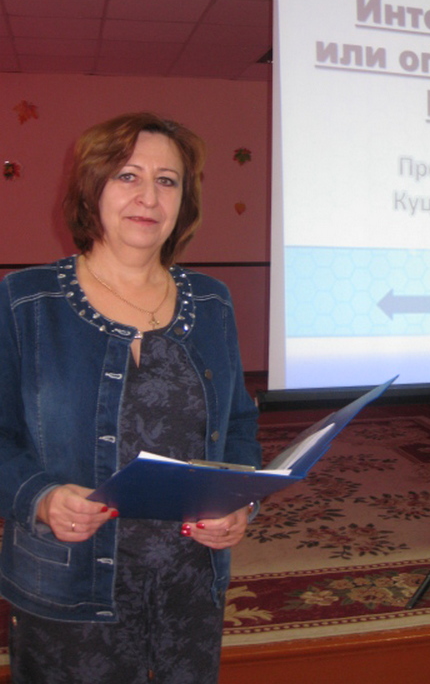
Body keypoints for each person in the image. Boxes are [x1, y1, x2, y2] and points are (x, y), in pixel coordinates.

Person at [0, 112, 262, 684]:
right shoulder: (26, 301)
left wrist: (241, 501)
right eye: (127, 176)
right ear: (91, 188)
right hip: (69, 582)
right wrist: (40, 497)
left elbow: (239, 423)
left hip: (188, 583)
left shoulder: (211, 301)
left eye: (167, 180)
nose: (148, 196)